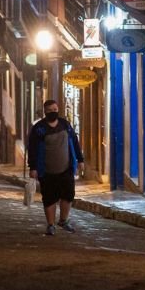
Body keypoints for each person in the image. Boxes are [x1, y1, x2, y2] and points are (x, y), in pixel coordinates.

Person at [28, 100, 84, 236]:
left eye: (55, 109)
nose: (53, 112)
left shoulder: (65, 125)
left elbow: (74, 142)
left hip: (66, 168)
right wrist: (33, 167)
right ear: (45, 112)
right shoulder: (39, 129)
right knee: (49, 197)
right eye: (50, 110)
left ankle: (63, 220)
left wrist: (80, 159)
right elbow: (33, 149)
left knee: (68, 195)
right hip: (46, 170)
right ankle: (51, 224)